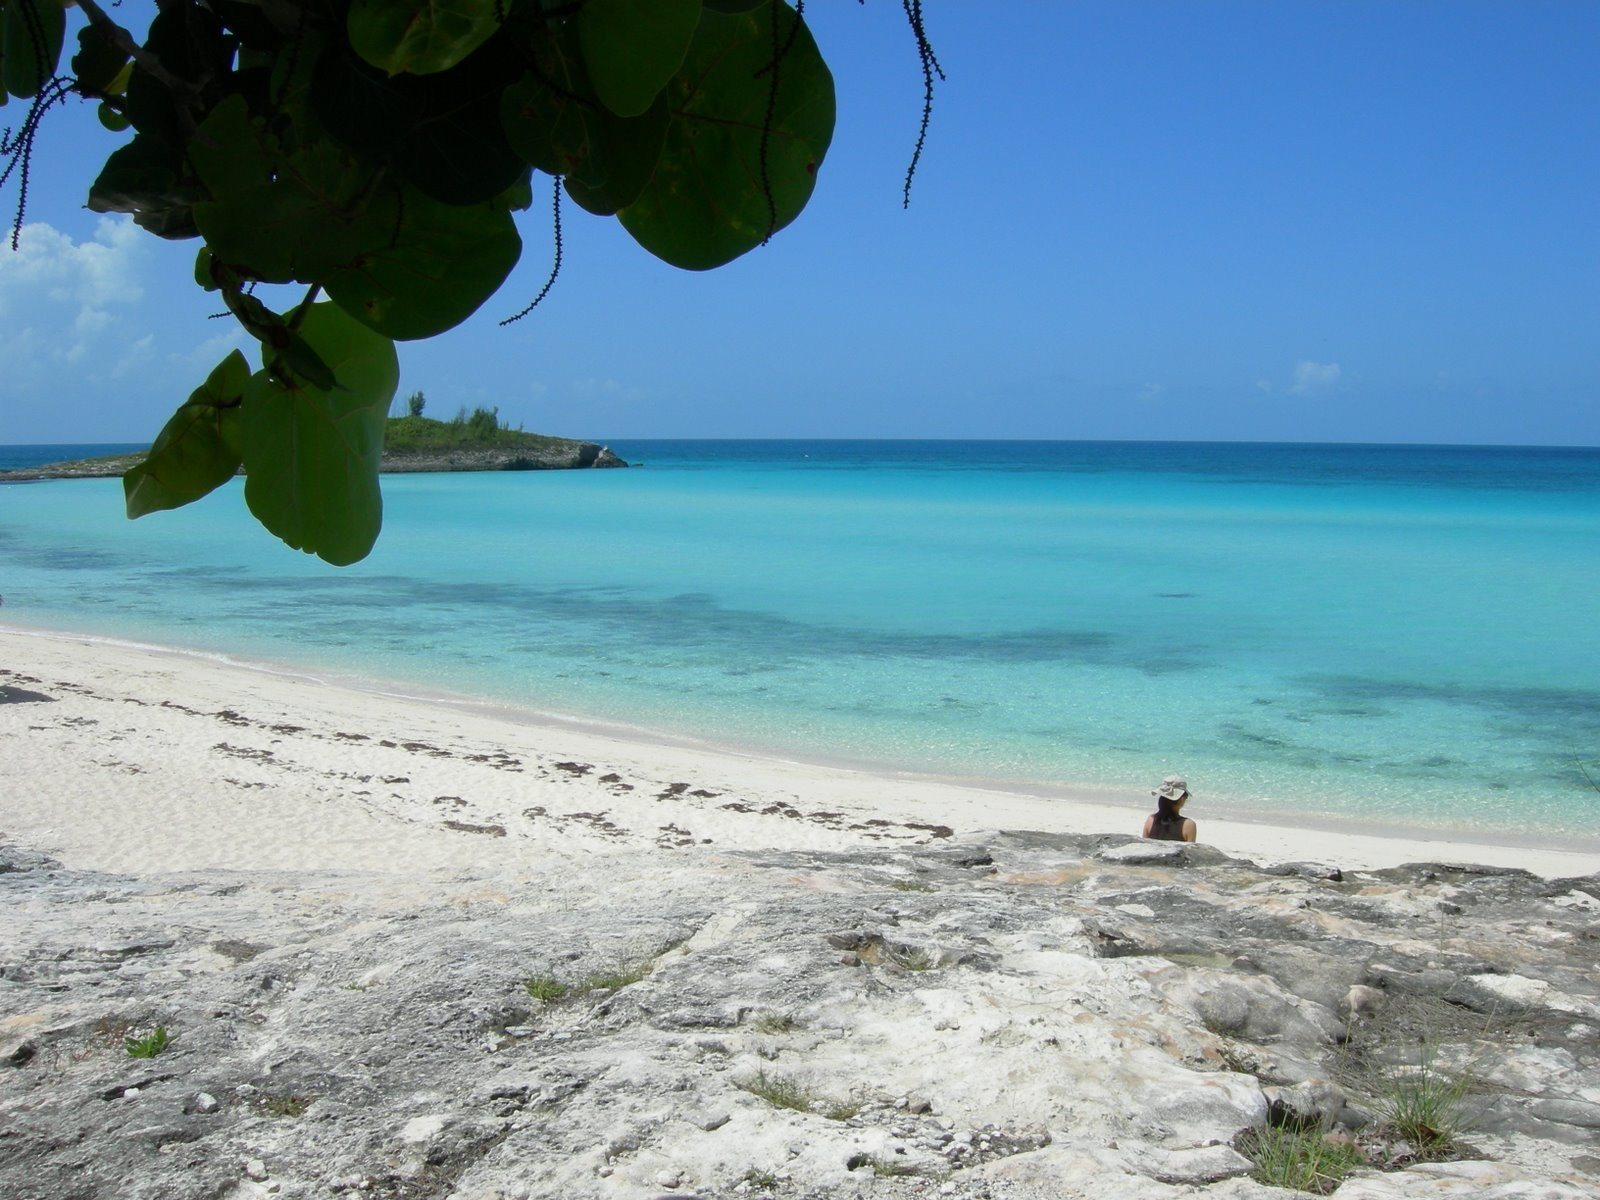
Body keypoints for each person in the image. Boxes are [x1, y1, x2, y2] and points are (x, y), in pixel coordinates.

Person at [1143, 775, 1196, 842]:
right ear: (1181, 799)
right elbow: (1190, 851)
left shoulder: (1150, 820)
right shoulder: (1188, 825)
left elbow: (1144, 848)